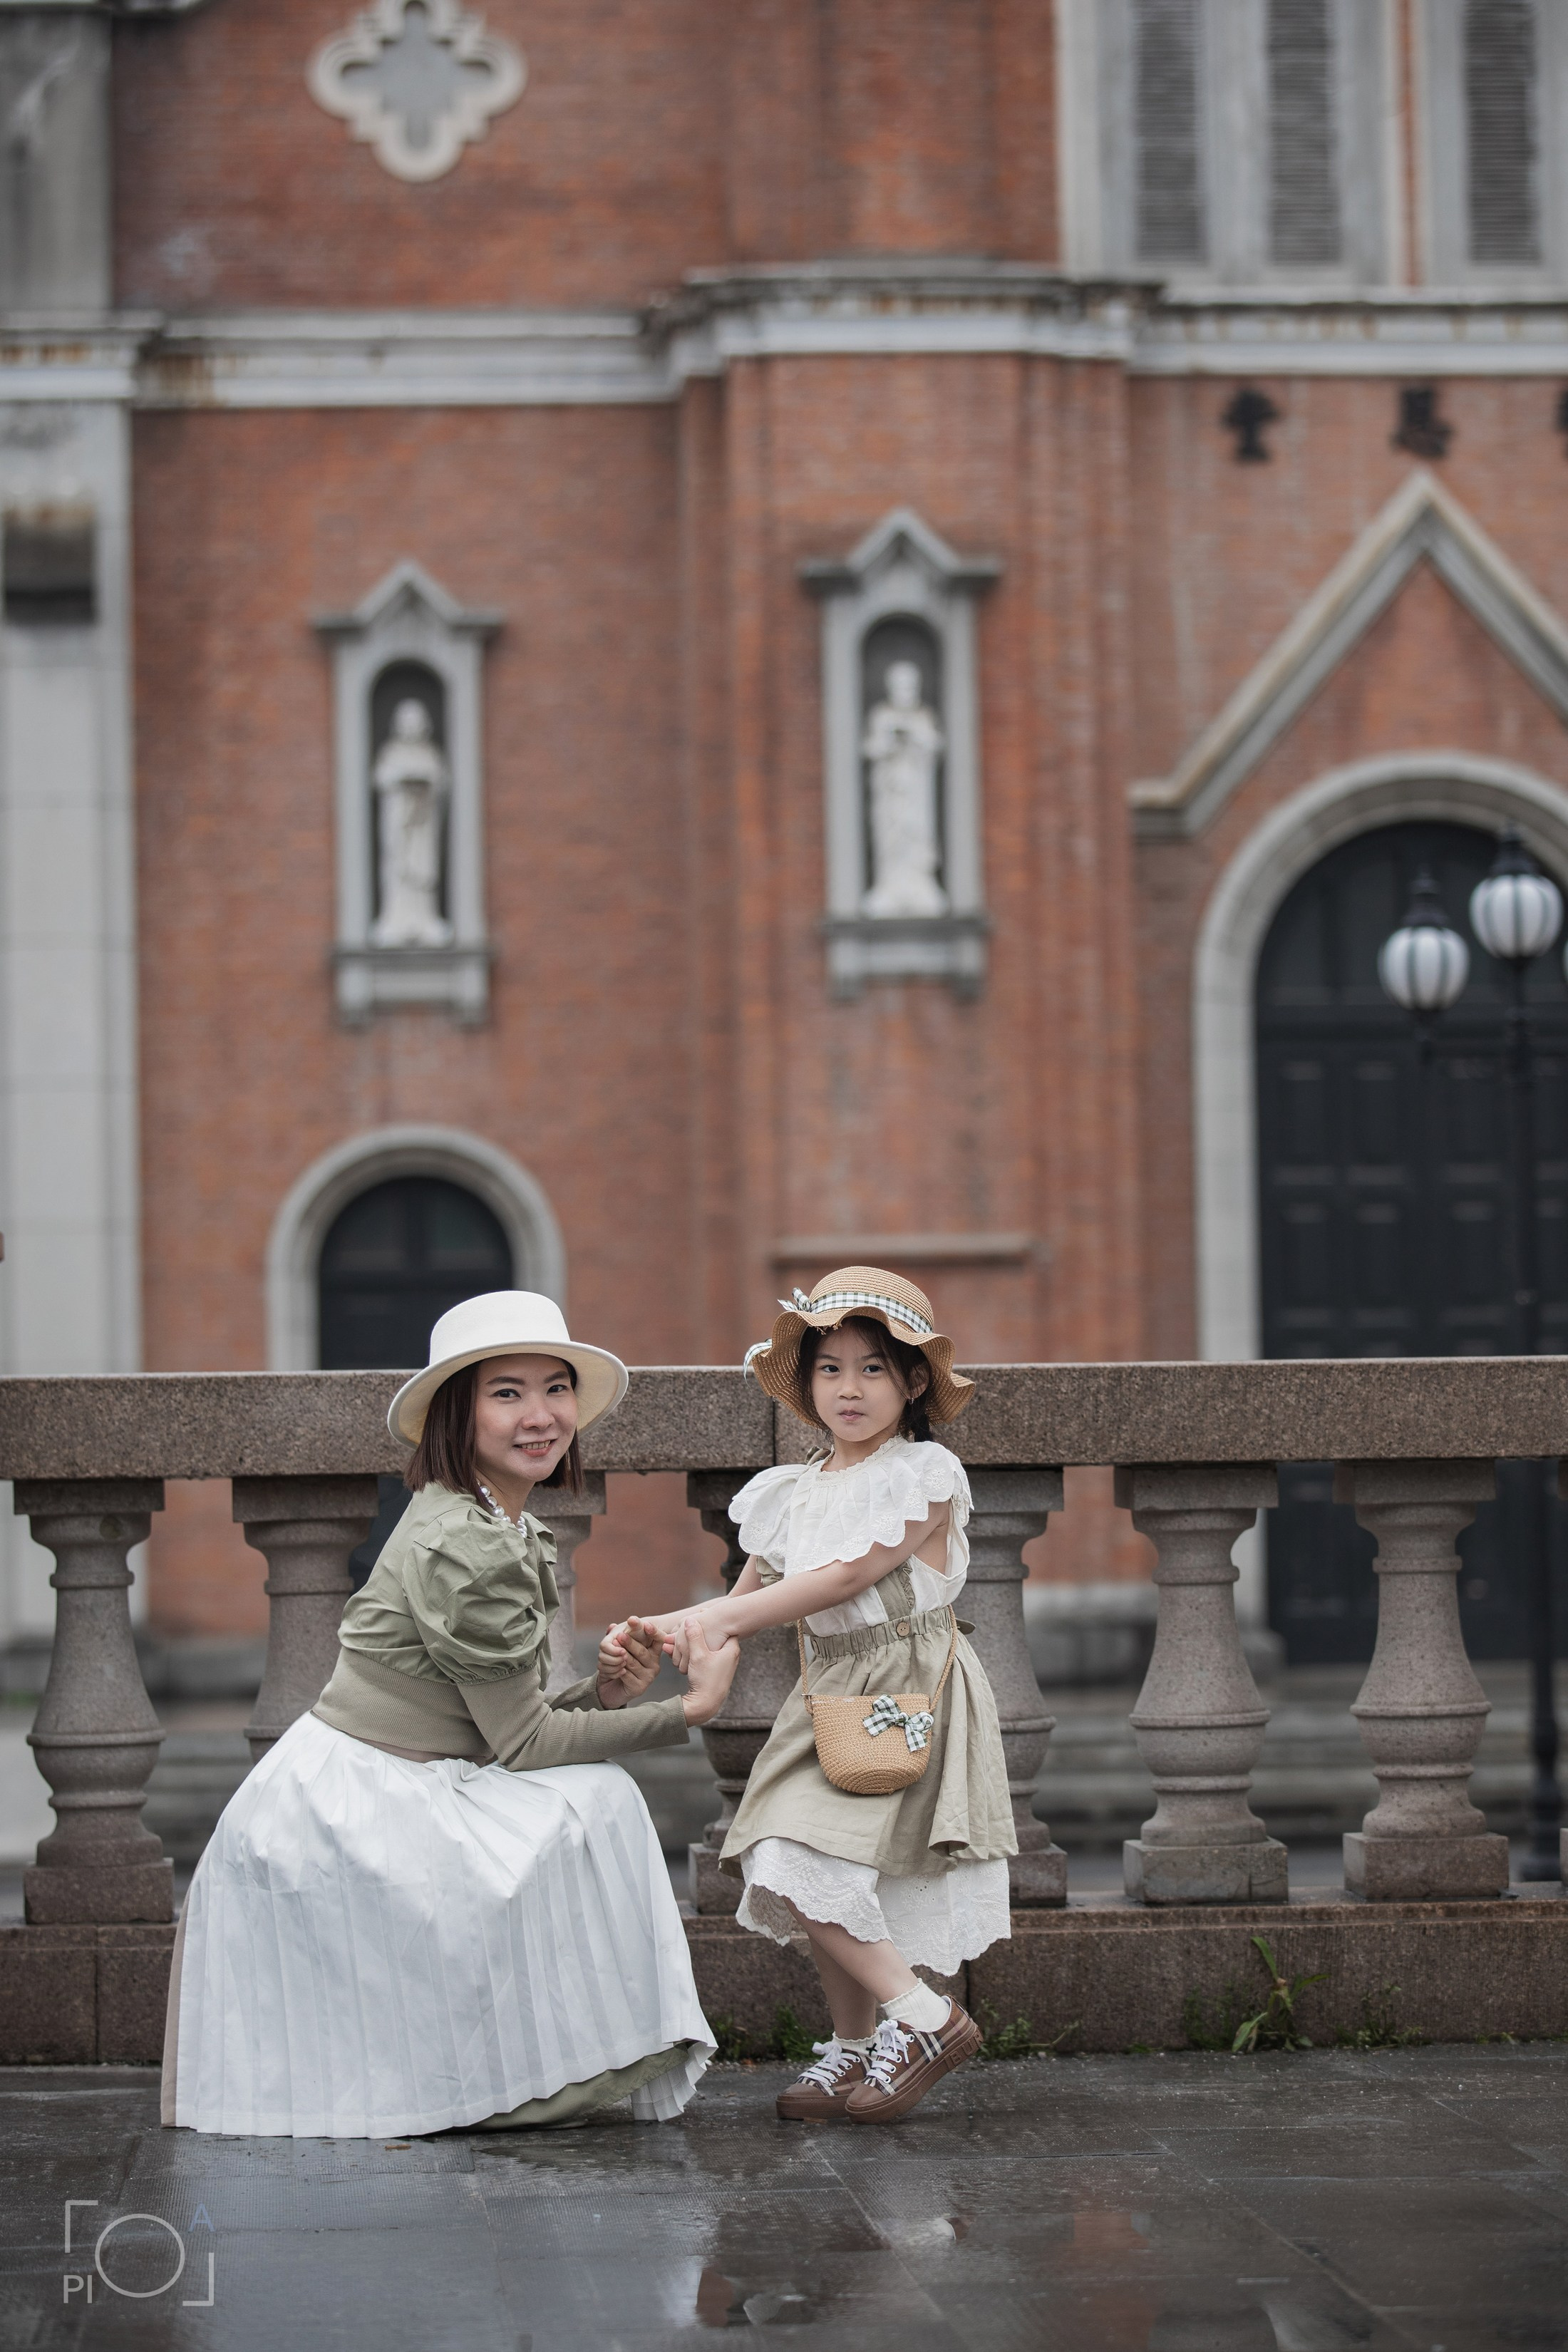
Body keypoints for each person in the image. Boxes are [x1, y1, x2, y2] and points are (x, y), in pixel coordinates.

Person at [163, 1290, 738, 2139]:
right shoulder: (469, 1543)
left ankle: (552, 2063)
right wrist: (694, 1708)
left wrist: (608, 1694)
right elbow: (525, 1743)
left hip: (390, 1778)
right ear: (457, 1415)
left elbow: (500, 1721)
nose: (540, 1416)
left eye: (555, 1388)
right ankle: (547, 2071)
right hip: (356, 1807)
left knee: (594, 1798)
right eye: (507, 1393)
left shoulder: (487, 1516)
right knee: (601, 1800)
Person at [612, 1267, 1014, 2125]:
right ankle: (856, 2048)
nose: (849, 1389)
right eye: (830, 1369)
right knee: (813, 1865)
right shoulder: (791, 1490)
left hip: (905, 1687)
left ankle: (926, 2019)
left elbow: (843, 1579)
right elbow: (745, 1601)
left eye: (872, 1369)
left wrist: (707, 1620)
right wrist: (667, 1635)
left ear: (914, 1383)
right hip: (827, 1691)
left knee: (797, 1857)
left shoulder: (924, 1473)